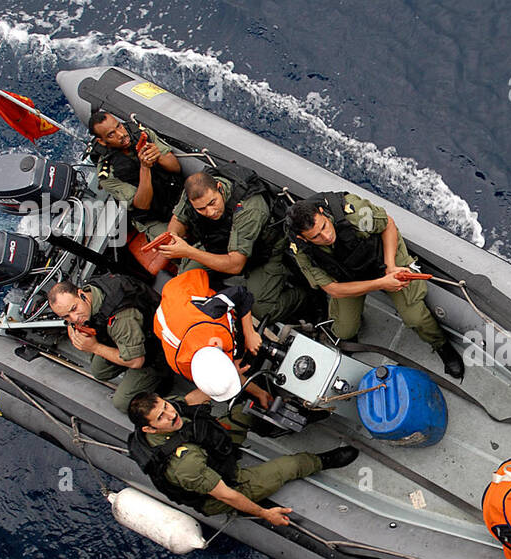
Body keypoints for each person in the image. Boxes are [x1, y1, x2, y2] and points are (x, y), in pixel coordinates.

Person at [283, 193, 465, 379]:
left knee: (416, 318)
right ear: (303, 238)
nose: (327, 235)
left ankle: (441, 346)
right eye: (317, 236)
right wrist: (380, 284)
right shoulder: (302, 251)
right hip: (348, 278)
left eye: (324, 226)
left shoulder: (352, 214)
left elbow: (387, 225)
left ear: (322, 212)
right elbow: (332, 289)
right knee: (344, 330)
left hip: (383, 259)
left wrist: (391, 267)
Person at [126, 392, 357, 524]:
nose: (171, 414)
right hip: (223, 484)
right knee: (290, 466)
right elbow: (227, 495)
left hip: (212, 448)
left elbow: (190, 400)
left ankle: (286, 422)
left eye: (166, 407)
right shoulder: (186, 466)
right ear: (149, 429)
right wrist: (265, 514)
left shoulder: (170, 412)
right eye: (161, 417)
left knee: (244, 410)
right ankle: (322, 461)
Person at [156, 169, 312, 323]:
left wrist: (188, 252)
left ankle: (304, 294)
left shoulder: (249, 208)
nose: (210, 212)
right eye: (201, 209)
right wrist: (173, 238)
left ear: (219, 188)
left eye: (212, 203)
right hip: (221, 243)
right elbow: (178, 220)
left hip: (263, 252)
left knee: (263, 310)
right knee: (185, 279)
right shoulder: (194, 194)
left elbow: (236, 265)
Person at [47, 275, 170, 411]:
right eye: (66, 316)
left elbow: (136, 361)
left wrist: (95, 347)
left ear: (81, 294)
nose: (74, 318)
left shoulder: (121, 318)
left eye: (74, 309)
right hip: (127, 338)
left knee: (122, 403)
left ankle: (159, 380)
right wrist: (72, 327)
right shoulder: (91, 291)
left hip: (155, 350)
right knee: (99, 371)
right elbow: (73, 318)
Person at [153, 267, 268, 404]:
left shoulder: (210, 314)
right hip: (172, 319)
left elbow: (241, 293)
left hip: (187, 289)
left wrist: (250, 333)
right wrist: (260, 393)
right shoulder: (185, 368)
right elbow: (221, 377)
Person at [87, 111, 185, 241]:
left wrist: (158, 156)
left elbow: (176, 168)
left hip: (172, 192)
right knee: (171, 243)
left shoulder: (142, 134)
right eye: (111, 134)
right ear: (102, 141)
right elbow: (142, 205)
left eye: (118, 126)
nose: (121, 134)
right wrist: (145, 168)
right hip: (153, 216)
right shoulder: (107, 175)